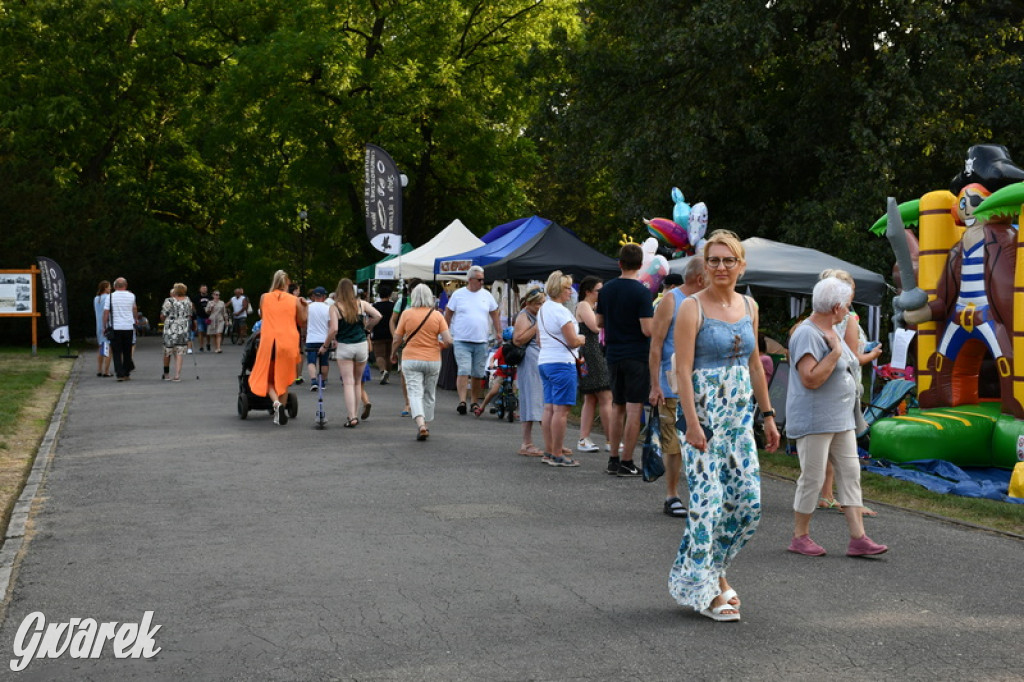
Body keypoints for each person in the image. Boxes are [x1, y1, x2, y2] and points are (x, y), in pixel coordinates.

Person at [668, 230, 779, 622]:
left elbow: (754, 365)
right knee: (709, 504)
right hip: (703, 422)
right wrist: (693, 424)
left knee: (748, 505)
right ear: (704, 266)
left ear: (740, 265)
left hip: (738, 421)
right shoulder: (691, 308)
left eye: (728, 260)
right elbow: (681, 370)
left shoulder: (749, 306)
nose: (720, 267)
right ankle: (707, 589)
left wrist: (767, 416)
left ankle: (711, 570)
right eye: (713, 260)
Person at [786, 277, 888, 558]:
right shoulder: (808, 334)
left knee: (850, 473)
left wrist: (839, 349)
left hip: (840, 417)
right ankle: (800, 536)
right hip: (816, 418)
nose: (848, 311)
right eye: (847, 306)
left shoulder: (831, 329)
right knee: (813, 477)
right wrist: (835, 352)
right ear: (836, 306)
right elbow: (810, 379)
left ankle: (859, 538)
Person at [816, 268, 882, 515]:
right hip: (845, 389)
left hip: (825, 387)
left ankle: (826, 494)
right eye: (852, 288)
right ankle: (846, 500)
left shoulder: (816, 320)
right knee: (845, 449)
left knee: (829, 444)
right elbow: (853, 359)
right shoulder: (849, 321)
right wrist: (873, 355)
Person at [649, 260, 704, 518]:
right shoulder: (672, 300)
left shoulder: (707, 301)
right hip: (671, 384)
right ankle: (671, 495)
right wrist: (655, 384)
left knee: (701, 441)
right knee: (673, 443)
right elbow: (656, 345)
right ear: (700, 278)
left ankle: (701, 493)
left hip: (701, 385)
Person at [595, 243, 654, 477]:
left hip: (613, 353)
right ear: (640, 265)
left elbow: (599, 323)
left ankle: (613, 458)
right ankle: (628, 461)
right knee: (633, 409)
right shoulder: (642, 292)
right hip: (637, 355)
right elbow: (647, 329)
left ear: (619, 263)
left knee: (617, 406)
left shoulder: (606, 290)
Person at [390, 284, 452, 440]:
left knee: (415, 393)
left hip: (411, 358)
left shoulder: (406, 314)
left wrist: (393, 353)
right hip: (432, 359)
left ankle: (421, 425)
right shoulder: (437, 315)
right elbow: (448, 341)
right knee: (429, 394)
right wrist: (441, 346)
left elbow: (397, 338)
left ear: (413, 297)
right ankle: (427, 425)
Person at [536, 271, 585, 466]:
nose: (571, 292)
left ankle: (549, 450)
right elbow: (573, 341)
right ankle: (557, 452)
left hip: (545, 360)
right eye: (567, 288)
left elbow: (540, 339)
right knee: (561, 411)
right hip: (562, 363)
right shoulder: (561, 311)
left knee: (549, 408)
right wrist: (582, 339)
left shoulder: (543, 309)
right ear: (559, 289)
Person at [248, 271, 307, 425]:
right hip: (288, 342)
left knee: (264, 376)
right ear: (287, 283)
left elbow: (264, 317)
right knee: (284, 377)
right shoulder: (295, 300)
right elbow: (302, 321)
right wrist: (304, 307)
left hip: (270, 342)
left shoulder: (264, 298)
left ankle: (276, 404)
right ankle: (279, 410)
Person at [444, 265, 501, 415]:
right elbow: (448, 313)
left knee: (477, 373)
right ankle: (462, 401)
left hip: (481, 340)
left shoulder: (487, 295)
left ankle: (474, 401)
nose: (482, 282)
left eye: (483, 279)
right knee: (463, 369)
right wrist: (445, 332)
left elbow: (495, 313)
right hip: (461, 339)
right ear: (470, 280)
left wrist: (499, 331)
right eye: (480, 279)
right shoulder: (458, 294)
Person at [325, 278, 382, 427]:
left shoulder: (335, 308)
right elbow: (378, 316)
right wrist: (367, 329)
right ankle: (355, 413)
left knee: (348, 382)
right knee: (358, 382)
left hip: (344, 346)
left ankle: (352, 417)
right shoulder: (362, 304)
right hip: (361, 345)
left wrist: (325, 345)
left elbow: (334, 329)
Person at [574, 276, 612, 453]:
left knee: (591, 397)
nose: (601, 294)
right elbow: (596, 327)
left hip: (593, 351)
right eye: (598, 290)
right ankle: (611, 439)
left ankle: (584, 438)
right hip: (591, 352)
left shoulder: (592, 307)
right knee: (605, 395)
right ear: (588, 291)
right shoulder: (583, 305)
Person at [513, 287, 546, 456]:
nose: (541, 306)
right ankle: (527, 443)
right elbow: (518, 340)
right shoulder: (524, 316)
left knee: (540, 400)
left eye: (543, 303)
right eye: (538, 304)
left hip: (539, 361)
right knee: (531, 400)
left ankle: (551, 442)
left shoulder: (537, 314)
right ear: (528, 303)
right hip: (529, 362)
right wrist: (536, 326)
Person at [103, 277, 139, 381]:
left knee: (116, 351)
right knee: (127, 351)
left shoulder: (110, 297)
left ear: (114, 286)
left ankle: (119, 374)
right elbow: (134, 308)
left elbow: (106, 312)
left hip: (115, 327)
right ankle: (126, 373)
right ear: (126, 285)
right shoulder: (131, 296)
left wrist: (104, 326)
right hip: (128, 326)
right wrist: (135, 319)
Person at [160, 283, 195, 382]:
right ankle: (177, 375)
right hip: (182, 328)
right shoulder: (188, 301)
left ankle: (166, 374)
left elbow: (163, 315)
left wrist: (164, 319)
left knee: (168, 351)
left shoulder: (169, 301)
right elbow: (190, 314)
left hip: (170, 328)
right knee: (179, 351)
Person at [475, 332, 512, 417]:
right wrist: (492, 363)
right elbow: (494, 357)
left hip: (512, 373)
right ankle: (482, 407)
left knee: (514, 390)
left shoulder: (517, 349)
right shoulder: (502, 349)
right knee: (494, 391)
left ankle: (512, 408)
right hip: (501, 373)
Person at [304, 287, 331, 390]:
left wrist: (304, 334)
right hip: (324, 338)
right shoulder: (328, 308)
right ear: (324, 297)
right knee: (324, 361)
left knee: (311, 361)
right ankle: (322, 382)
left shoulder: (308, 307)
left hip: (311, 338)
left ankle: (313, 381)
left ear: (314, 296)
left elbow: (305, 322)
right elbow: (330, 324)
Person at [372, 284, 396, 384]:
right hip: (391, 334)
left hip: (378, 334)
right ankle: (388, 374)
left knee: (379, 355)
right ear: (390, 295)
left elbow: (371, 319)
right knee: (389, 355)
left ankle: (383, 371)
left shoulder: (375, 306)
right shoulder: (393, 306)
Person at [93, 280, 112, 377]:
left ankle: (99, 369)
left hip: (98, 326)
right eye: (109, 287)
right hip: (106, 325)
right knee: (108, 348)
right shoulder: (108, 298)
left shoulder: (96, 299)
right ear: (105, 288)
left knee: (101, 347)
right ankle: (106, 371)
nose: (110, 288)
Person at [194, 284, 211, 351]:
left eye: (205, 288)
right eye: (203, 288)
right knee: (200, 331)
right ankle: (201, 346)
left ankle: (208, 343)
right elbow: (192, 304)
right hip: (199, 317)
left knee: (208, 332)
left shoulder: (210, 297)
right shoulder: (196, 297)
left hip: (208, 317)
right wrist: (195, 311)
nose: (204, 289)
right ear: (200, 290)